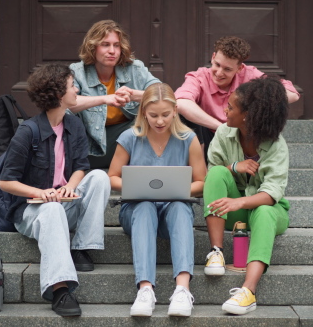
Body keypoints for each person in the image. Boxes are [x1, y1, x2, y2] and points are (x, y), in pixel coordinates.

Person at [0, 64, 111, 317]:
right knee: (50, 209)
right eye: (73, 85)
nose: (77, 89)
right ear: (60, 94)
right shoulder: (28, 131)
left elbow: (81, 166)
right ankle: (60, 289)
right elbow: (6, 182)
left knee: (99, 177)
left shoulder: (74, 125)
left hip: (63, 204)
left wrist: (70, 188)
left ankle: (82, 247)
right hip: (32, 212)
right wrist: (42, 194)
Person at [108, 83, 206, 317]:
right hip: (136, 212)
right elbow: (112, 177)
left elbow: (202, 182)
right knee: (143, 206)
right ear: (143, 112)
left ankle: (182, 290)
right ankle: (145, 290)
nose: (160, 121)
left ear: (175, 111)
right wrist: (136, 186)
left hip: (173, 211)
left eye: (165, 115)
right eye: (153, 115)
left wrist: (178, 190)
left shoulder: (187, 138)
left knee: (181, 207)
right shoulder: (129, 137)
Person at [202, 75, 291, 315]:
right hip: (230, 212)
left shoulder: (276, 145)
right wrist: (234, 167)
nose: (225, 110)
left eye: (230, 107)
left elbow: (272, 194)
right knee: (219, 172)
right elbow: (213, 175)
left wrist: (239, 201)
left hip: (270, 213)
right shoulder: (223, 133)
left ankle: (248, 292)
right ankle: (216, 252)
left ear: (247, 116)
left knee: (263, 210)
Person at [174, 36, 300, 157]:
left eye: (227, 69)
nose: (219, 73)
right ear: (213, 57)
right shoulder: (199, 77)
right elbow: (180, 103)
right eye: (217, 65)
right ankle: (200, 169)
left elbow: (292, 94)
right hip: (208, 138)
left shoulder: (250, 75)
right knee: (182, 116)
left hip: (242, 139)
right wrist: (221, 127)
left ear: (240, 68)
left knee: (268, 107)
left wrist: (256, 102)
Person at [69, 20, 161, 169]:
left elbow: (163, 94)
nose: (112, 51)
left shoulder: (134, 68)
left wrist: (133, 94)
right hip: (92, 146)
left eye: (116, 45)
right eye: (105, 45)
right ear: (93, 47)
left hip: (129, 139)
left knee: (169, 115)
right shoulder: (78, 71)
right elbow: (65, 103)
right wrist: (104, 99)